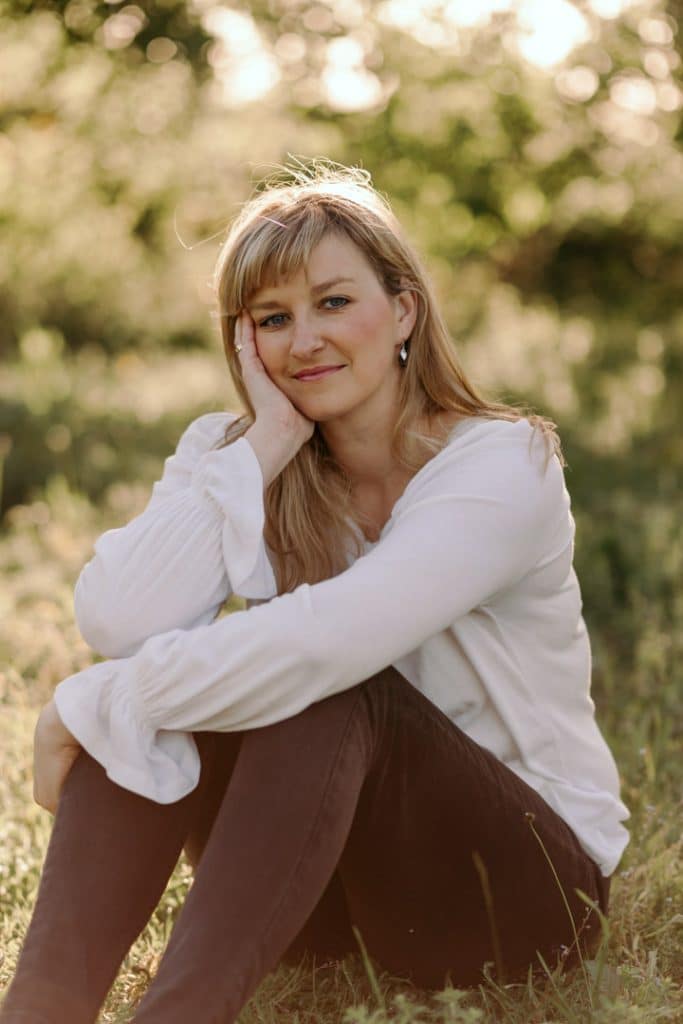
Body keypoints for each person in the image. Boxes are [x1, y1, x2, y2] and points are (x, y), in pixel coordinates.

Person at [0, 162, 630, 1024]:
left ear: (403, 309)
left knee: (317, 686)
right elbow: (120, 618)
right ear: (241, 343)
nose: (304, 342)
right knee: (182, 682)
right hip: (315, 895)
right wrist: (265, 446)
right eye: (271, 319)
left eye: (334, 303)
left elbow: (330, 643)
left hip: (516, 896)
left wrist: (87, 703)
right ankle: (39, 1012)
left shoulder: (499, 463)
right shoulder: (233, 450)